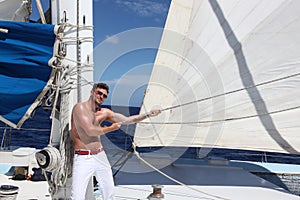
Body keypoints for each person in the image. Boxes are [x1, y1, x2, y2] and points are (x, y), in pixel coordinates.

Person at [70, 82, 161, 200]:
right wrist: (111, 128)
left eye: (104, 95)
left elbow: (127, 120)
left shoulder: (104, 112)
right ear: (92, 92)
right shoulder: (79, 108)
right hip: (83, 157)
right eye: (99, 93)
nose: (101, 97)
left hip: (100, 155)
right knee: (77, 196)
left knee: (109, 192)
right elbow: (89, 131)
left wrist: (148, 114)